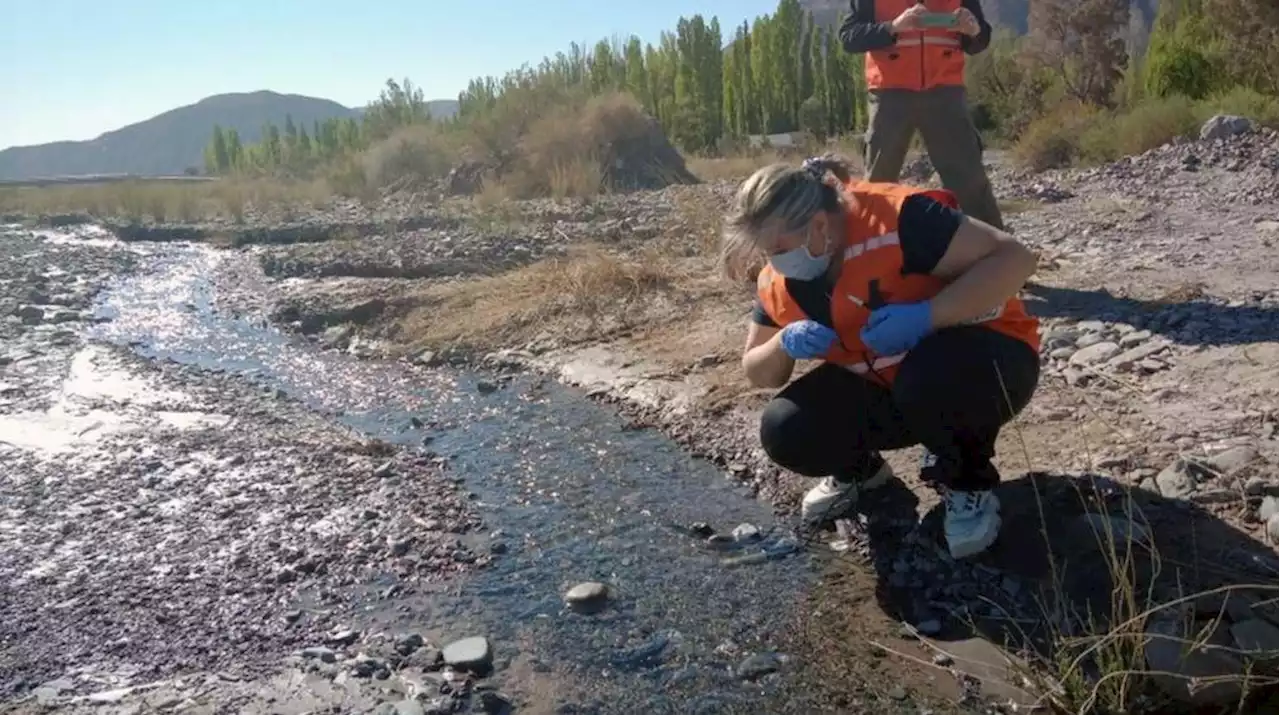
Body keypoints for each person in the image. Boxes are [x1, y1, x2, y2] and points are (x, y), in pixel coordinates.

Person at [719, 155, 1041, 559]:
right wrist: (783, 342)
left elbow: (1015, 259)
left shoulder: (898, 219)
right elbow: (757, 370)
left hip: (985, 366)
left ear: (819, 225)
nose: (772, 261)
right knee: (787, 428)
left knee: (930, 379)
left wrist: (929, 315)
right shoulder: (782, 278)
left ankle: (968, 485)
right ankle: (863, 476)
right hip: (890, 385)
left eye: (778, 248)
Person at [839, 0, 1005, 230]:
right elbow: (849, 37)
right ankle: (868, 249)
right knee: (879, 180)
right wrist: (893, 27)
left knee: (968, 179)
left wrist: (973, 30)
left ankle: (994, 250)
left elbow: (981, 39)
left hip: (945, 92)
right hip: (890, 93)